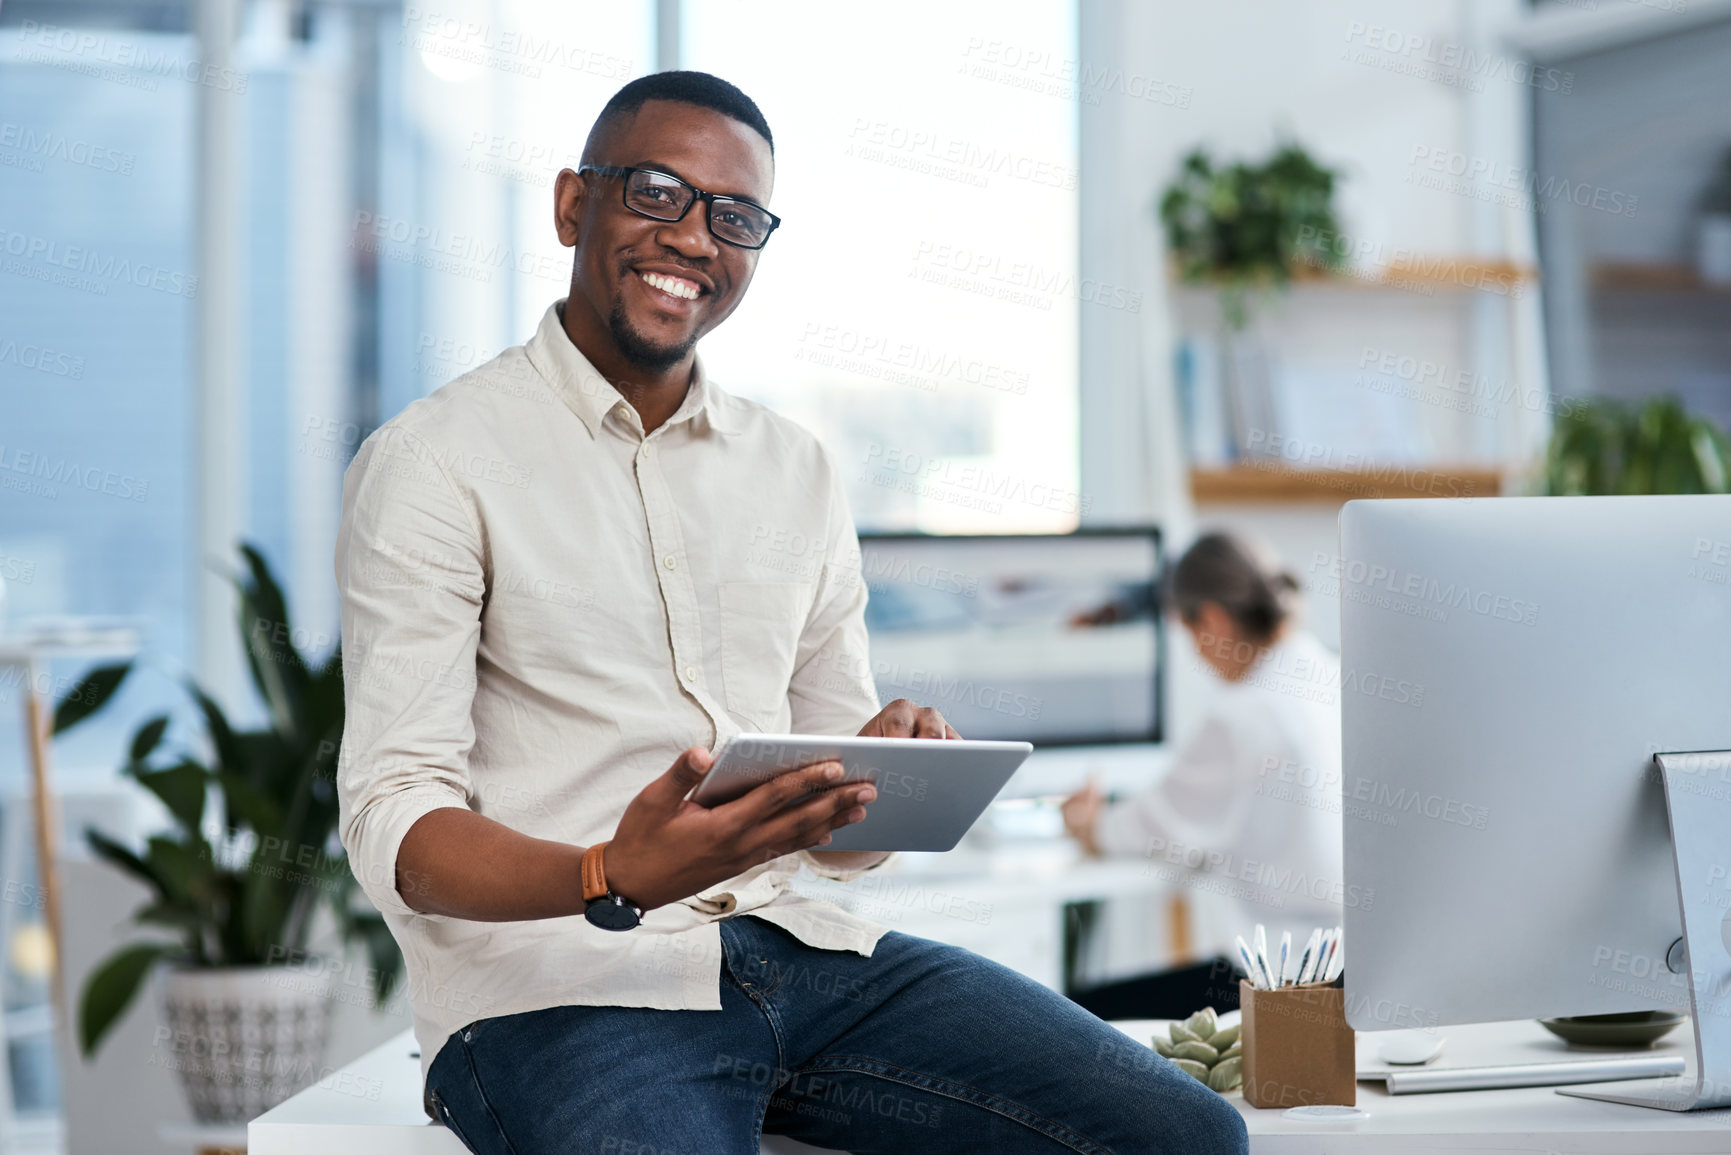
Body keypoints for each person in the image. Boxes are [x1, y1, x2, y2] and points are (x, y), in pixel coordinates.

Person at [336, 71, 1247, 1154]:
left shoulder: (795, 470)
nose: (694, 239)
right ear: (574, 204)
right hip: (560, 993)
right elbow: (394, 820)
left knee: (1185, 1137)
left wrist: (869, 778)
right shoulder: (435, 462)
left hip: (808, 958)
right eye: (660, 193)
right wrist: (608, 875)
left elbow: (841, 847)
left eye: (735, 218)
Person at [1061, 532, 1344, 1019]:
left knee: (1073, 1013)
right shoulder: (1327, 673)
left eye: (1188, 634)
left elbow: (1154, 828)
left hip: (1283, 978)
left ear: (1211, 620)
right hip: (1345, 965)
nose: (1196, 656)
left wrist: (1087, 824)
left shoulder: (1245, 714)